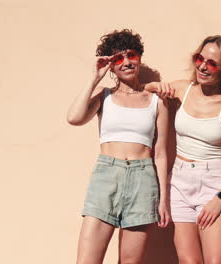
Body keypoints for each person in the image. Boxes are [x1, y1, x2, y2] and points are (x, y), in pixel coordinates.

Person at [146, 35, 221, 264]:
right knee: (188, 261)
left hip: (215, 184)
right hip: (179, 182)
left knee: (215, 261)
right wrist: (155, 86)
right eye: (199, 58)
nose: (202, 66)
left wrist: (220, 198)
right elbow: (146, 91)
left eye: (211, 63)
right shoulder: (184, 89)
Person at [67, 29, 170, 264]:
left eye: (131, 55)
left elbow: (161, 153)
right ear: (111, 65)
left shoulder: (157, 101)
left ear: (139, 58)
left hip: (143, 180)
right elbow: (74, 118)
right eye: (118, 59)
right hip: (107, 177)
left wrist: (163, 199)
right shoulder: (104, 96)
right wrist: (95, 77)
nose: (126, 62)